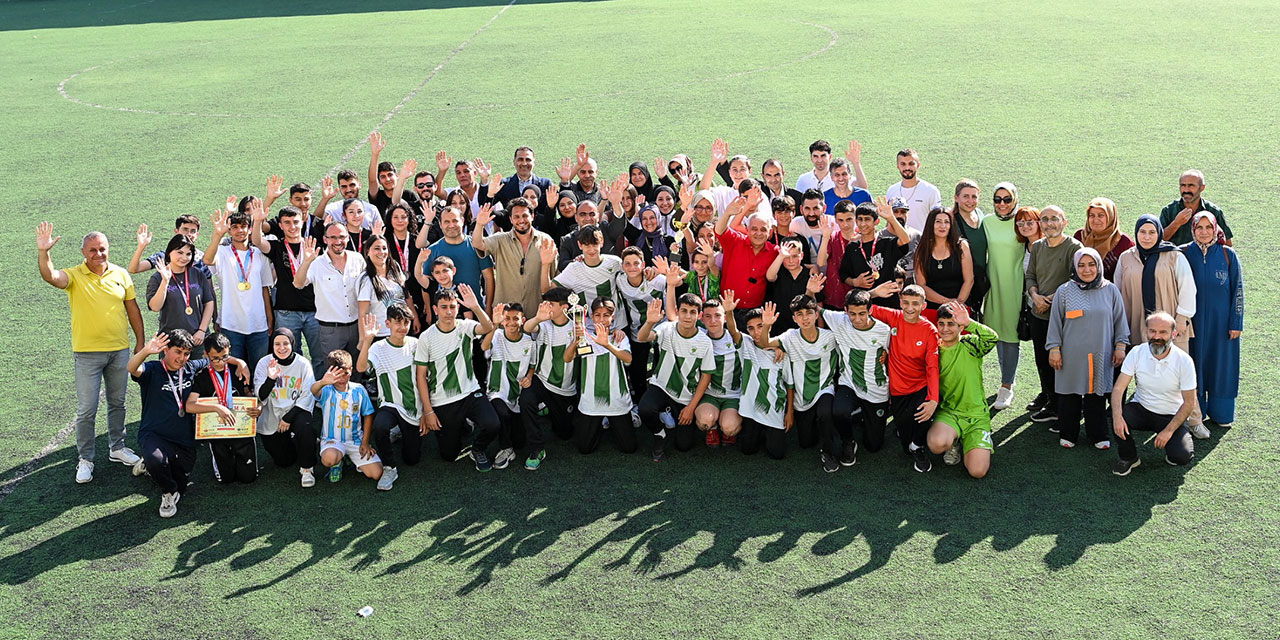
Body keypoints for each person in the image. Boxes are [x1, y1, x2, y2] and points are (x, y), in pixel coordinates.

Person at [37, 222, 144, 483]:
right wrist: (44, 252)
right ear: (84, 253)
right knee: (87, 410)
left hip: (119, 350)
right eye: (93, 250)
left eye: (103, 249)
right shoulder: (73, 275)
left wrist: (140, 343)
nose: (99, 254)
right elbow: (51, 276)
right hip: (87, 354)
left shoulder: (121, 274)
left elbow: (133, 310)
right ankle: (85, 459)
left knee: (118, 403)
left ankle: (117, 448)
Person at [1114, 215, 1202, 435]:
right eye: (1142, 232)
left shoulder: (1173, 256)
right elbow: (1117, 290)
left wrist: (1182, 318)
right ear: (1136, 233)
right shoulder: (1126, 257)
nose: (1146, 237)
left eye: (1152, 232)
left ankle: (1194, 420)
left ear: (1159, 233)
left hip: (1171, 327)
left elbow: (1187, 288)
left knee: (1181, 371)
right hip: (1136, 323)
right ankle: (1137, 412)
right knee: (1139, 368)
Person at [1046, 248, 1129, 449]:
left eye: (1091, 264)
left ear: (1098, 266)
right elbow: (1055, 322)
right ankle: (1068, 433)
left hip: (1101, 353)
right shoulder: (1064, 291)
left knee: (1096, 396)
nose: (1087, 269)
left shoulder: (1110, 290)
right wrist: (1054, 349)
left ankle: (1097, 435)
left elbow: (1120, 321)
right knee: (1069, 396)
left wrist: (1120, 346)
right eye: (1081, 265)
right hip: (1071, 355)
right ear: (1075, 266)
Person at [414, 286, 500, 469]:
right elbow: (421, 376)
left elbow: (487, 327)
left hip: (470, 392)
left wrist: (476, 307)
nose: (448, 311)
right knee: (449, 455)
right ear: (435, 309)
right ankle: (462, 426)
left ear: (458, 308)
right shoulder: (426, 337)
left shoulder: (465, 326)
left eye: (452, 306)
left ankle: (478, 449)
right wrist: (428, 411)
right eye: (444, 307)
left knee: (492, 424)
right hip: (442, 401)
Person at [755, 295, 844, 472]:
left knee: (825, 412)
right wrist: (766, 325)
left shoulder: (830, 337)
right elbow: (764, 343)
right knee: (805, 442)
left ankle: (828, 452)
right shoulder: (790, 337)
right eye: (800, 314)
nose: (805, 318)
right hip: (801, 397)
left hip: (824, 388)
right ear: (794, 318)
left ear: (816, 314)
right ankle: (822, 427)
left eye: (809, 313)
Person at [127, 330, 204, 517]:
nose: (182, 358)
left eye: (186, 354)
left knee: (182, 483)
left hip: (183, 438)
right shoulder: (153, 369)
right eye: (178, 352)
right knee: (160, 465)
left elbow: (215, 359)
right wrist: (146, 351)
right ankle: (168, 492)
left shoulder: (190, 368)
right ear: (166, 349)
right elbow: (131, 368)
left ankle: (148, 464)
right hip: (154, 434)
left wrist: (239, 363)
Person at [1110, 313, 1198, 475]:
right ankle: (1129, 458)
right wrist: (1117, 416)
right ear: (1147, 332)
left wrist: (1168, 431)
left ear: (1173, 334)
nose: (1157, 337)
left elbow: (1189, 403)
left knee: (1181, 457)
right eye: (1152, 331)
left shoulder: (1184, 361)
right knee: (1118, 416)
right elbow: (1118, 389)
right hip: (1142, 409)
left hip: (1171, 415)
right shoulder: (1137, 352)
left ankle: (1173, 446)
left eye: (1163, 332)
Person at [1181, 212, 1243, 429]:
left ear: (1216, 228)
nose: (1204, 232)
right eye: (1200, 227)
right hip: (1193, 324)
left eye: (1209, 227)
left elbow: (1238, 290)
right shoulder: (1184, 252)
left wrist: (1236, 323)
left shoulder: (1228, 254)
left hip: (1222, 324)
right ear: (1193, 229)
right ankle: (1196, 412)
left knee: (1222, 366)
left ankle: (1222, 412)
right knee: (1195, 365)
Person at [636, 295, 715, 461]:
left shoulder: (705, 342)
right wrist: (650, 322)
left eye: (693, 312)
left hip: (686, 395)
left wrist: (691, 408)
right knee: (645, 409)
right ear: (677, 312)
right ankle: (660, 433)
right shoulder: (666, 328)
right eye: (684, 311)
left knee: (684, 446)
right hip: (662, 386)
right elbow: (642, 338)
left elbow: (706, 376)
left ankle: (670, 411)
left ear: (699, 316)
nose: (687, 316)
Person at [1024, 205, 1083, 423]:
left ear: (1064, 222)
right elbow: (1030, 275)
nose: (1049, 223)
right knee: (1042, 359)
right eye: (1045, 219)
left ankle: (1066, 408)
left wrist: (1051, 300)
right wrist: (1035, 296)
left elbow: (1077, 278)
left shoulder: (1074, 247)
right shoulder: (1038, 246)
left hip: (1063, 318)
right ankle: (1051, 403)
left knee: (1063, 362)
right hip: (1038, 313)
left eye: (1054, 219)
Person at [872, 284, 939, 473]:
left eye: (915, 304)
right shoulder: (893, 316)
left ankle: (919, 445)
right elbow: (857, 305)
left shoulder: (929, 330)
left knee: (923, 415)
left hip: (920, 386)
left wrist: (933, 399)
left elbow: (932, 366)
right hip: (898, 389)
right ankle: (909, 436)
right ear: (900, 302)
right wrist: (874, 293)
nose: (910, 308)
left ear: (923, 306)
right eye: (906, 303)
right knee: (904, 443)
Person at [926, 302, 998, 479]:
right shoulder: (934, 349)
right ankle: (954, 441)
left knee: (977, 471)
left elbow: (992, 338)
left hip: (976, 416)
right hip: (950, 413)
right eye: (941, 324)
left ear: (960, 327)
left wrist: (970, 322)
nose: (945, 329)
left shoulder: (970, 344)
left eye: (951, 324)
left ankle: (973, 440)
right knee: (936, 444)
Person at [355, 305, 419, 491]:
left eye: (406, 322)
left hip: (413, 407)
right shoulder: (379, 347)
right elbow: (360, 368)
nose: (402, 327)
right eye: (398, 322)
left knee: (412, 459)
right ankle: (389, 467)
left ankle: (401, 429)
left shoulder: (415, 345)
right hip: (390, 405)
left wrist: (426, 411)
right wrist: (367, 339)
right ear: (388, 324)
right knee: (380, 425)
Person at [825, 288, 894, 455]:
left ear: (870, 310)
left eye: (862, 313)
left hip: (876, 389)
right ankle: (848, 441)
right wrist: (811, 291)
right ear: (846, 310)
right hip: (849, 383)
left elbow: (890, 357)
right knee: (839, 411)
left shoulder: (884, 330)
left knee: (873, 446)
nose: (857, 319)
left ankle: (863, 415)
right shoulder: (839, 320)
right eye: (852, 314)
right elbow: (814, 308)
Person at [185, 332, 260, 485]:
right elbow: (189, 406)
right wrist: (217, 407)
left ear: (229, 350)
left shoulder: (237, 370)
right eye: (215, 359)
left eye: (225, 357)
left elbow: (250, 395)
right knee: (226, 479)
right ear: (206, 355)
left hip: (241, 432)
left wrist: (258, 407)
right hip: (217, 434)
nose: (220, 362)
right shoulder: (201, 376)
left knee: (248, 478)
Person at [204, 203, 273, 368]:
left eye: (243, 226)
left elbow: (265, 287)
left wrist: (269, 316)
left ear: (250, 229)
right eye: (234, 227)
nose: (239, 230)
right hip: (231, 324)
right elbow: (207, 260)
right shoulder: (222, 252)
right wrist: (217, 235)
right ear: (229, 231)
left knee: (260, 369)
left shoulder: (259, 255)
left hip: (259, 324)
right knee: (234, 370)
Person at [567, 297, 639, 454]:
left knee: (629, 448)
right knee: (584, 449)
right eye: (598, 315)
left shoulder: (619, 337)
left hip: (617, 399)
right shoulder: (584, 337)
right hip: (591, 400)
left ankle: (618, 417)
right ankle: (601, 420)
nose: (602, 319)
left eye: (606, 315)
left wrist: (607, 344)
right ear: (591, 317)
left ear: (613, 317)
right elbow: (567, 358)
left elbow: (628, 359)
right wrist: (575, 340)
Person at [256, 206, 322, 373]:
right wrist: (258, 221)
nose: (292, 226)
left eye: (295, 222)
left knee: (319, 356)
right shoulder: (277, 247)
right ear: (281, 225)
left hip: (315, 310)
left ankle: (320, 393)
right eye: (287, 223)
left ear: (303, 222)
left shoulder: (313, 245)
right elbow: (257, 241)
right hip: (286, 311)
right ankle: (295, 394)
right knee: (290, 356)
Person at [519, 288, 580, 470]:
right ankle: (537, 448)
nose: (547, 308)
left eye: (551, 305)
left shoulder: (577, 327)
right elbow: (527, 328)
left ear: (564, 307)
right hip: (541, 380)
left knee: (564, 434)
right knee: (526, 400)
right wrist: (538, 317)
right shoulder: (544, 324)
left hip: (565, 388)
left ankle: (548, 409)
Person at [294, 226, 366, 379]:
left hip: (356, 327)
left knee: (355, 372)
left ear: (347, 238)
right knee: (333, 374)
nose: (338, 241)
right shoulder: (316, 263)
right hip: (331, 330)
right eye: (333, 237)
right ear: (325, 239)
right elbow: (298, 283)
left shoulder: (357, 259)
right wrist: (306, 261)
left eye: (341, 237)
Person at [253, 328, 318, 487]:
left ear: (292, 344)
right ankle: (301, 442)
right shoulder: (264, 363)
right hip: (272, 416)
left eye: (285, 343)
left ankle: (307, 468)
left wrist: (288, 418)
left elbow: (307, 395)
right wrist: (271, 378)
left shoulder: (302, 363)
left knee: (306, 426)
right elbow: (260, 396)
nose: (281, 348)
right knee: (284, 461)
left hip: (296, 413)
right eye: (277, 344)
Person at [473, 196, 558, 317]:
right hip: (505, 316)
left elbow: (553, 279)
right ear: (511, 219)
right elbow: (477, 243)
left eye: (525, 216)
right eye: (516, 217)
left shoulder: (546, 241)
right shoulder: (500, 240)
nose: (521, 220)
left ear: (532, 217)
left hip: (536, 315)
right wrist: (480, 224)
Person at [310, 350, 382, 485]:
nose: (342, 379)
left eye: (346, 374)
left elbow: (368, 415)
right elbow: (313, 390)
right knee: (329, 459)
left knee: (376, 474)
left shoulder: (359, 390)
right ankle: (337, 463)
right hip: (332, 440)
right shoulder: (326, 389)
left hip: (355, 441)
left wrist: (365, 442)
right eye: (338, 375)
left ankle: (350, 458)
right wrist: (323, 382)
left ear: (351, 370)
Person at [983, 182, 1025, 410]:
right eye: (997, 199)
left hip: (1015, 285)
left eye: (1007, 199)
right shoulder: (986, 222)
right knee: (996, 332)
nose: (1002, 204)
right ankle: (1007, 377)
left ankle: (1006, 385)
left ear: (1015, 200)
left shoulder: (1023, 221)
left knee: (1010, 335)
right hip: (993, 285)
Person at [736, 308, 794, 459]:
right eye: (751, 328)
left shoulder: (782, 352)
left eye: (760, 326)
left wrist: (789, 413)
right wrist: (729, 312)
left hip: (774, 409)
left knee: (778, 454)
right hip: (751, 410)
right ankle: (758, 430)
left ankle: (769, 431)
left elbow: (789, 384)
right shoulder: (746, 345)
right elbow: (732, 330)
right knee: (748, 450)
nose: (756, 332)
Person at [146, 234, 216, 358]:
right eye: (180, 252)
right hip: (170, 342)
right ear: (169, 253)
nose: (184, 257)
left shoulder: (198, 274)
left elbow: (209, 302)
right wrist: (165, 281)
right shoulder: (157, 278)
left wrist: (202, 330)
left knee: (200, 376)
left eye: (188, 254)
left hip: (197, 340)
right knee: (171, 377)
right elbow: (155, 307)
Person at [481, 303, 535, 466]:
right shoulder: (496, 335)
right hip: (497, 392)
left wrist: (530, 377)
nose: (511, 322)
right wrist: (494, 324)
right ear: (502, 321)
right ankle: (506, 448)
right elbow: (484, 347)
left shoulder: (528, 341)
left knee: (520, 442)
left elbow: (532, 364)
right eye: (507, 319)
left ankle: (511, 442)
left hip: (517, 394)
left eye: (515, 319)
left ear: (522, 320)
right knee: (502, 414)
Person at [614, 247, 667, 399]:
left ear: (643, 264)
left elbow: (674, 285)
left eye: (636, 263)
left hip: (660, 330)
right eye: (628, 264)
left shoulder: (656, 280)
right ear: (623, 266)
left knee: (661, 367)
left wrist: (661, 271)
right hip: (637, 331)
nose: (632, 267)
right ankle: (638, 400)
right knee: (637, 369)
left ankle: (663, 404)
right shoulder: (619, 280)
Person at [419, 206, 495, 312]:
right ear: (440, 225)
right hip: (445, 313)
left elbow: (489, 278)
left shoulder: (476, 246)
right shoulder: (432, 250)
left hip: (476, 311)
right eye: (446, 222)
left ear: (462, 221)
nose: (451, 225)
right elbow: (426, 284)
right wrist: (428, 309)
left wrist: (488, 307)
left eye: (455, 221)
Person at [545, 225, 622, 327]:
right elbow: (548, 289)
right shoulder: (573, 268)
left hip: (617, 324)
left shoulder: (615, 262)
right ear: (580, 245)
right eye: (587, 245)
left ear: (602, 242)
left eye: (595, 245)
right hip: (588, 327)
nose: (591, 250)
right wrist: (545, 264)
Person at [694, 295, 743, 448]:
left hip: (733, 395)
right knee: (704, 422)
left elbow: (761, 342)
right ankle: (713, 428)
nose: (713, 320)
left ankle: (727, 428)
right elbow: (674, 319)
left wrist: (775, 347)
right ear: (701, 318)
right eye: (708, 316)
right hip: (710, 395)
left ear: (724, 318)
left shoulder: (736, 338)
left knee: (729, 427)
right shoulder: (699, 337)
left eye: (717, 315)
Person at [839, 199, 912, 297]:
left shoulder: (887, 243)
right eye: (860, 219)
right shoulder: (852, 247)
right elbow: (844, 275)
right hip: (863, 305)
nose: (863, 224)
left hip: (888, 303)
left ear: (877, 221)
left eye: (867, 219)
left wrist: (891, 218)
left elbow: (905, 240)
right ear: (856, 221)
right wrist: (854, 282)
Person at [914, 206, 973, 321]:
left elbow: (969, 280)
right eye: (938, 222)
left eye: (947, 222)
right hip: (931, 310)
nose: (943, 226)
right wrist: (946, 302)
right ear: (931, 224)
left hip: (959, 309)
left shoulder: (961, 246)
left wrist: (957, 304)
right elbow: (921, 285)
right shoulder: (922, 250)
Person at [357, 235, 419, 337]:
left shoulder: (395, 269)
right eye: (377, 248)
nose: (381, 252)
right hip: (381, 334)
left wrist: (415, 317)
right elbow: (363, 314)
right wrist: (363, 340)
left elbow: (406, 296)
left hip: (403, 331)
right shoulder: (366, 280)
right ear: (367, 252)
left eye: (384, 248)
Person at [1159, 169, 1232, 247]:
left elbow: (1227, 245)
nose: (1186, 190)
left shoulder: (1214, 211)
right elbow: (1158, 241)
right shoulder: (1168, 210)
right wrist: (1176, 223)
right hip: (1175, 257)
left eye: (1191, 185)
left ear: (1202, 188)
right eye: (1183, 185)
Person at [765, 239, 825, 332]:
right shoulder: (779, 271)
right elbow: (770, 277)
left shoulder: (810, 275)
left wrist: (821, 328)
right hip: (780, 326)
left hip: (804, 327)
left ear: (801, 255)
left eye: (795, 256)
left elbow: (819, 303)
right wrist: (781, 256)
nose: (791, 261)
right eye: (786, 257)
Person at [128, 215, 214, 280]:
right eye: (185, 229)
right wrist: (141, 247)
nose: (189, 234)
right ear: (176, 231)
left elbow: (209, 289)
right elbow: (134, 269)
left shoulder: (201, 258)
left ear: (197, 235)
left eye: (193, 231)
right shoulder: (163, 256)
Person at [1074, 197, 1134, 281]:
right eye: (1092, 215)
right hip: (1081, 290)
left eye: (1101, 215)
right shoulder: (1079, 236)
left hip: (1111, 292)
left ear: (1111, 216)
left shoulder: (1124, 242)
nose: (1096, 220)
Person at [951, 180, 987, 316]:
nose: (970, 201)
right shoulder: (951, 220)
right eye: (965, 196)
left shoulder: (980, 215)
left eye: (974, 196)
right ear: (956, 198)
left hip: (980, 278)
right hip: (961, 281)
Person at [885, 148, 942, 233]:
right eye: (903, 164)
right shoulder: (892, 190)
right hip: (896, 243)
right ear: (898, 166)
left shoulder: (931, 191)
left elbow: (937, 220)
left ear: (918, 165)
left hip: (922, 243)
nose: (907, 167)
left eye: (911, 164)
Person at [487, 146, 553, 210]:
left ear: (534, 163)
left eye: (528, 160)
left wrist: (563, 182)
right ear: (514, 162)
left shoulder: (546, 184)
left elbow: (560, 206)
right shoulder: (503, 184)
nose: (524, 163)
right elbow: (485, 207)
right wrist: (487, 187)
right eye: (520, 159)